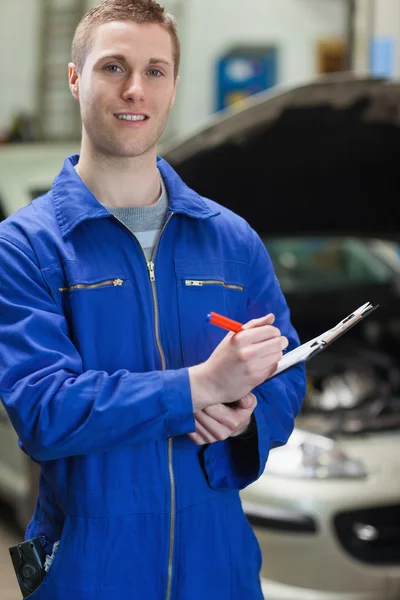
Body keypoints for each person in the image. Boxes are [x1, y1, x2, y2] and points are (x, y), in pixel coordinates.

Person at [0, 1, 306, 598]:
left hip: (218, 566)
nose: (135, 88)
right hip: (91, 570)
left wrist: (247, 417)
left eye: (155, 70)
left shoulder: (231, 240)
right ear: (74, 77)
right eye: (113, 67)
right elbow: (42, 410)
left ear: (173, 86)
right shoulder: (26, 246)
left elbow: (286, 372)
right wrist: (199, 387)